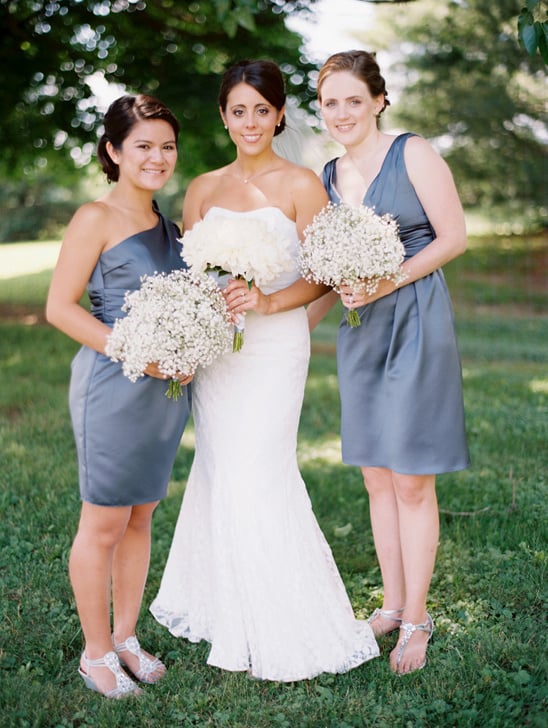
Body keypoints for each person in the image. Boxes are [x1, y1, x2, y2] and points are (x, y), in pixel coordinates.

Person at [150, 59, 379, 681]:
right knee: (221, 471)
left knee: (259, 473)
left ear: (279, 115)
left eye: (261, 109)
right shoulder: (201, 188)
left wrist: (270, 301)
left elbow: (322, 273)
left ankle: (287, 624)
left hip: (275, 348)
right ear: (223, 116)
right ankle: (231, 614)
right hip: (219, 355)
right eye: (237, 110)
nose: (250, 122)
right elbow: (192, 278)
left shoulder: (303, 184)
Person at [308, 50, 470, 675]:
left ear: (378, 101)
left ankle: (420, 618)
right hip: (361, 329)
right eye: (330, 102)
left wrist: (387, 282)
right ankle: (394, 603)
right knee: (376, 474)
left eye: (354, 99)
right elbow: (326, 271)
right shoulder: (328, 174)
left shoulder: (414, 154)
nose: (343, 112)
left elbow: (454, 237)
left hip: (416, 320)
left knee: (410, 477)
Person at [46, 94, 192, 698]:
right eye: (143, 146)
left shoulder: (173, 227)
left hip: (165, 395)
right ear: (113, 151)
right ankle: (96, 652)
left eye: (167, 146)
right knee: (104, 521)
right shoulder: (94, 218)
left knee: (140, 516)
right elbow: (58, 308)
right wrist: (138, 353)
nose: (157, 157)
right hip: (114, 383)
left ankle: (127, 636)